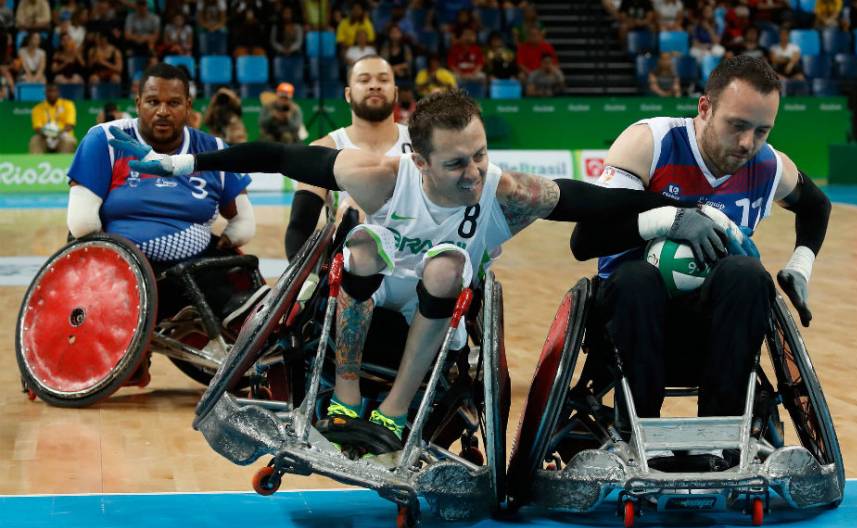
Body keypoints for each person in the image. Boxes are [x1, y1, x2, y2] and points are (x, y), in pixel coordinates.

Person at [117, 88, 747, 460]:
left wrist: (675, 214)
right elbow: (278, 156)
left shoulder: (506, 193)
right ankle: (345, 392)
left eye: (479, 156)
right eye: (455, 165)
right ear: (417, 160)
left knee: (447, 265)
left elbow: (595, 200)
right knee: (362, 242)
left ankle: (392, 411)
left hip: (445, 307)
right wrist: (186, 162)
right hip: (370, 292)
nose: (473, 174)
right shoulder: (378, 175)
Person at [570, 57, 831, 464]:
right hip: (630, 319)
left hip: (714, 327)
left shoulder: (768, 165)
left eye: (762, 131)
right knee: (637, 277)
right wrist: (671, 219)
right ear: (705, 108)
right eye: (738, 125)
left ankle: (719, 435)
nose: (748, 143)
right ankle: (635, 435)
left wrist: (800, 264)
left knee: (747, 273)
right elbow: (584, 239)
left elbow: (817, 206)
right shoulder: (650, 143)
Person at [67, 62, 259, 324]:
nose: (163, 111)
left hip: (194, 268)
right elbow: (82, 225)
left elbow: (243, 223)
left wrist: (233, 235)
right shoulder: (106, 139)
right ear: (138, 103)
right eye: (153, 102)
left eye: (174, 103)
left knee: (245, 281)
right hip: (122, 269)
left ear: (189, 107)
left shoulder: (214, 148)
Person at [285, 55, 412, 261]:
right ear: (348, 94)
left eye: (383, 79)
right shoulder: (324, 148)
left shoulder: (421, 144)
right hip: (351, 274)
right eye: (364, 80)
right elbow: (300, 227)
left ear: (396, 93)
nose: (374, 86)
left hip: (415, 268)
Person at [30, 83, 76, 153]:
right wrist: (48, 134)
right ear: (45, 93)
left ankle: (63, 163)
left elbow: (70, 126)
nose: (52, 94)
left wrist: (56, 133)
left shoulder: (68, 105)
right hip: (44, 136)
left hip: (62, 135)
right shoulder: (38, 108)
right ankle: (37, 163)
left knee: (69, 140)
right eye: (49, 91)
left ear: (58, 92)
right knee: (35, 140)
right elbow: (37, 128)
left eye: (54, 91)